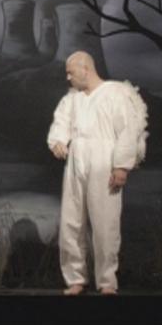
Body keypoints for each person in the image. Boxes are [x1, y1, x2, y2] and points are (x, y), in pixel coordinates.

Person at [47, 51, 148, 295]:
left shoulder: (115, 93)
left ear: (86, 69)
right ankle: (76, 278)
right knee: (71, 221)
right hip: (76, 160)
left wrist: (121, 166)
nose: (68, 77)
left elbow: (128, 130)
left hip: (104, 159)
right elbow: (61, 122)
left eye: (70, 72)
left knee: (105, 222)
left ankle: (106, 281)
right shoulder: (72, 99)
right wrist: (58, 140)